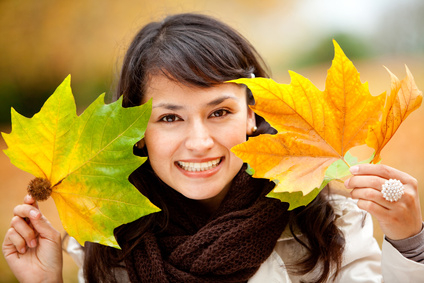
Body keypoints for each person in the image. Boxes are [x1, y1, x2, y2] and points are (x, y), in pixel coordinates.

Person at [3, 13, 424, 283]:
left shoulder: (325, 219)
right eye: (169, 118)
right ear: (135, 132)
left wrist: (410, 243)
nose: (200, 141)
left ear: (251, 114)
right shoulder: (109, 242)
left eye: (219, 112)